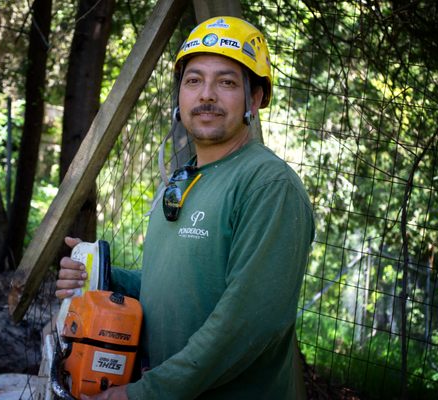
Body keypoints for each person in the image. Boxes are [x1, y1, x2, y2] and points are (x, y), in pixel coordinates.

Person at [56, 16, 314, 400]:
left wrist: (145, 393)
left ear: (255, 99)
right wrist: (99, 274)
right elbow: (178, 289)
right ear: (180, 96)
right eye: (194, 81)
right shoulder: (181, 182)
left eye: (226, 82)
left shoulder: (268, 186)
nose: (206, 94)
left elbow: (245, 326)